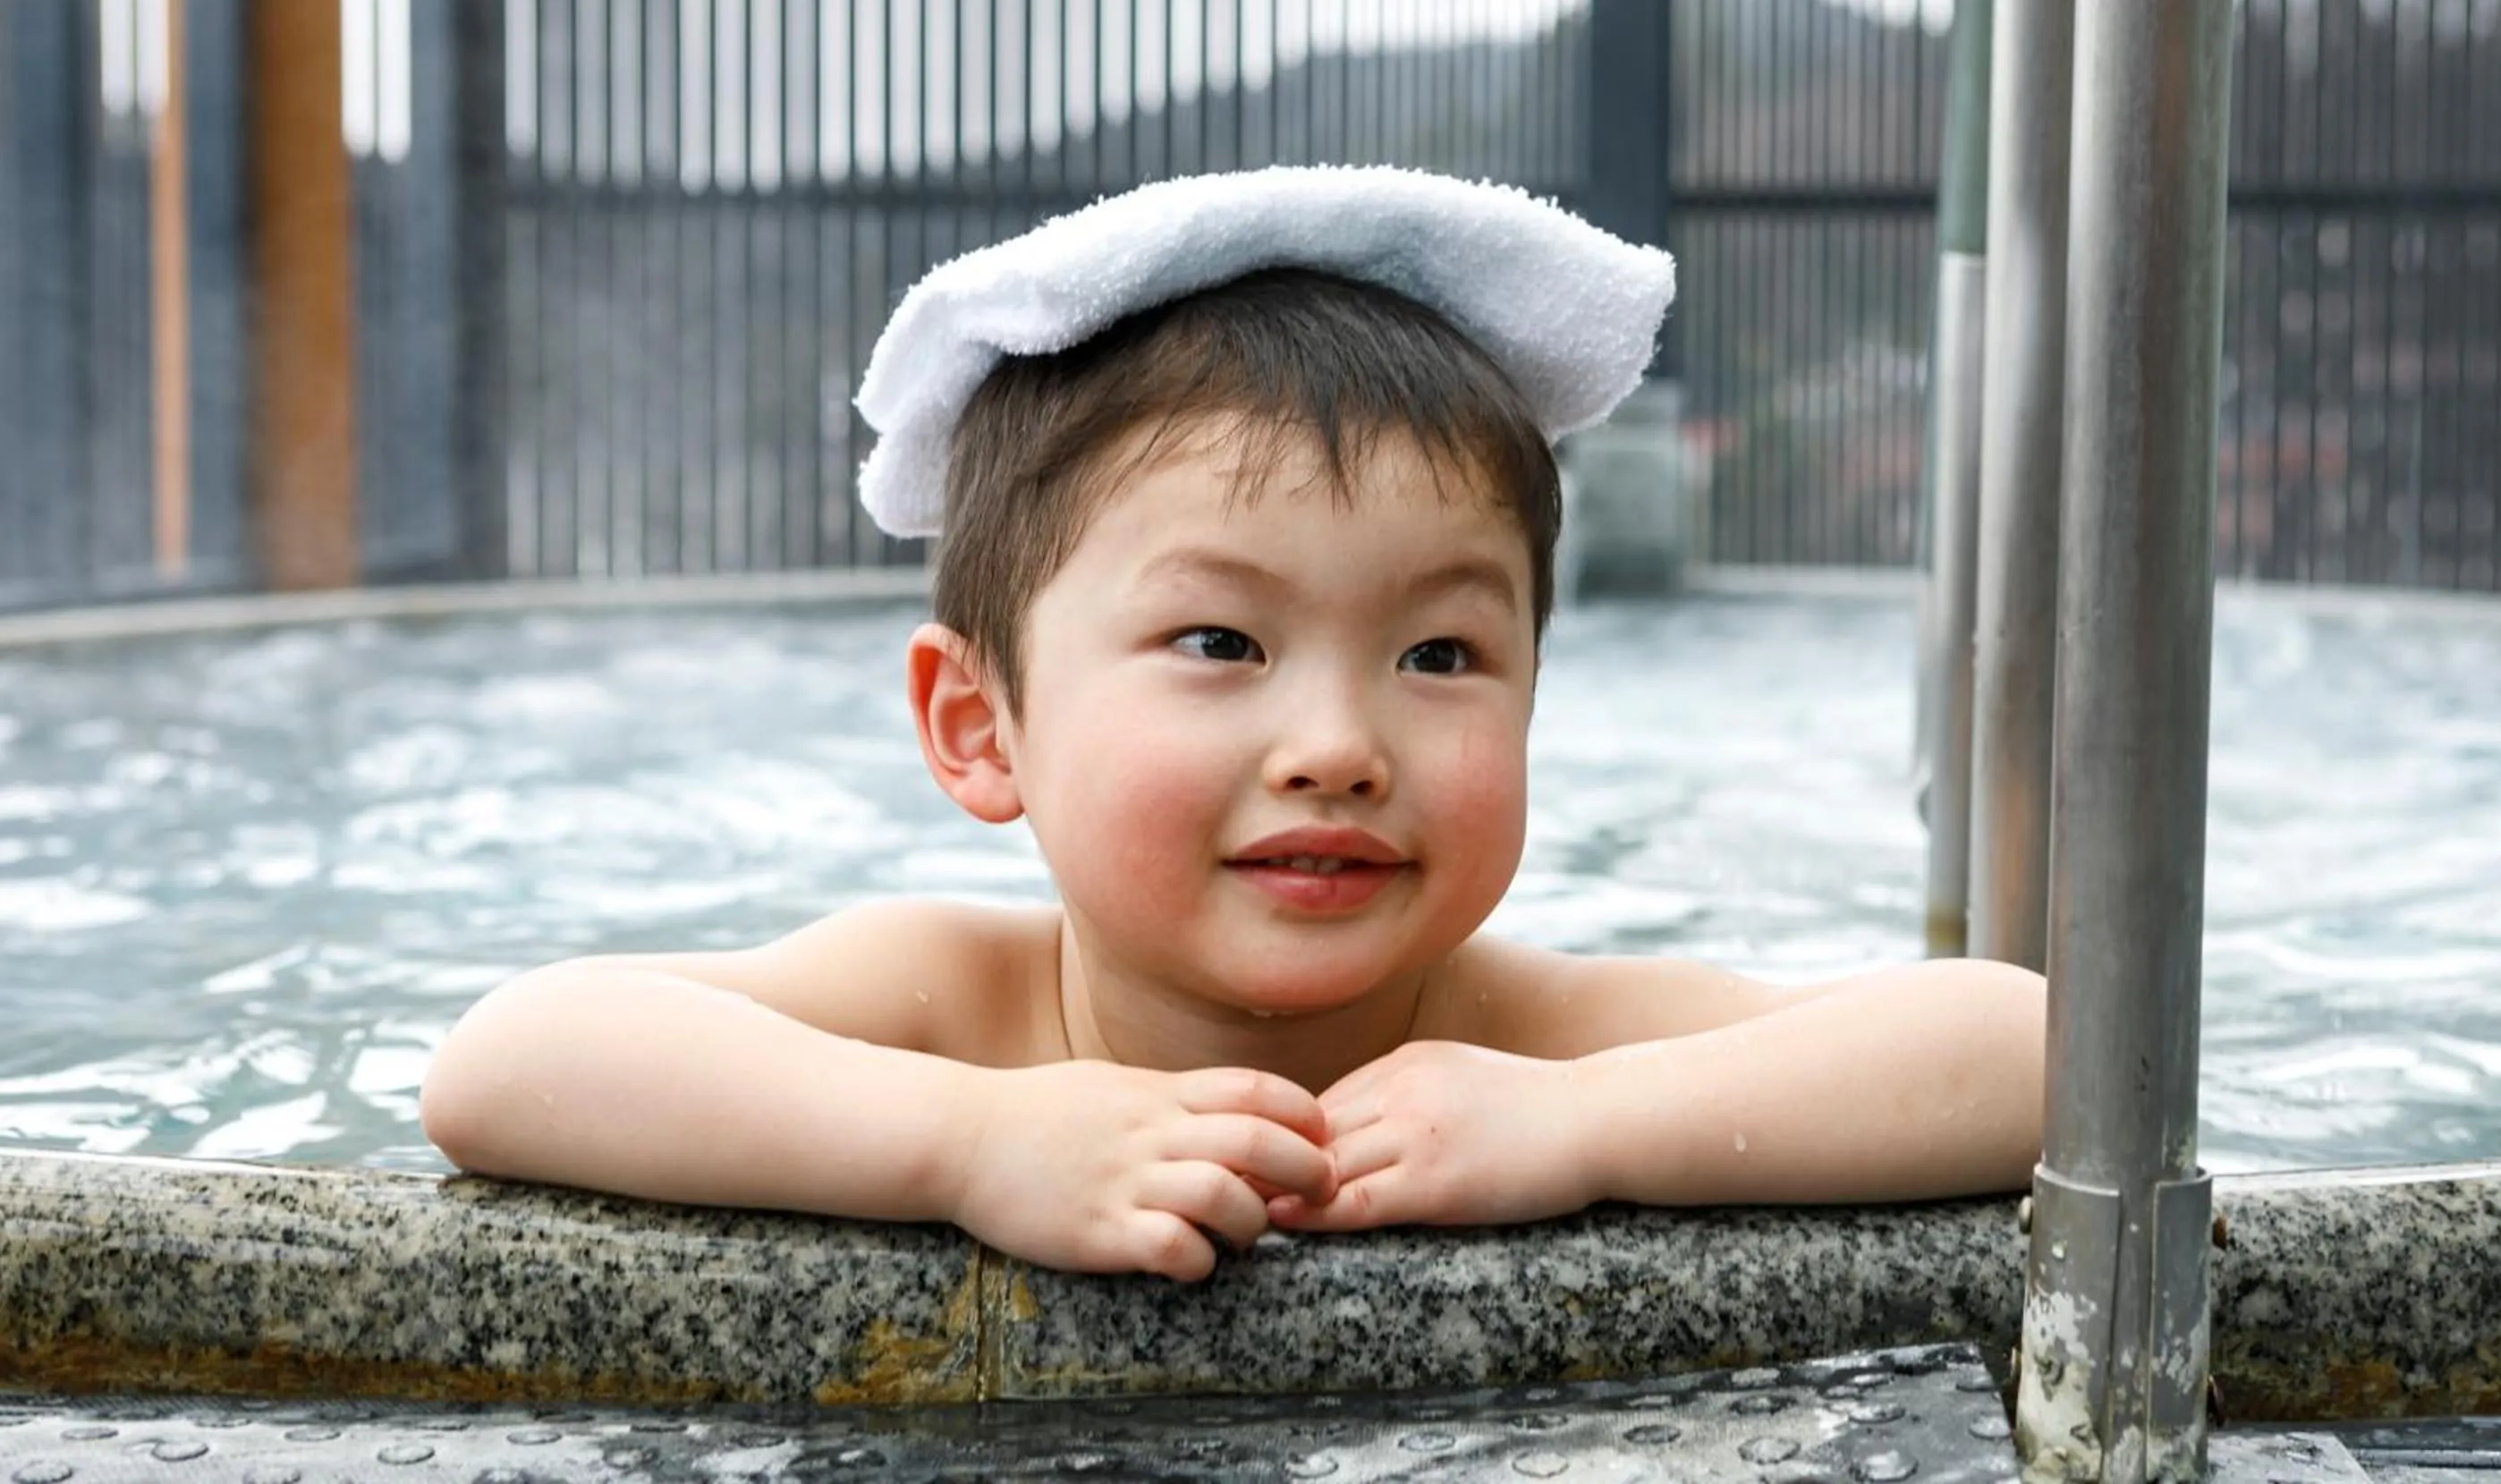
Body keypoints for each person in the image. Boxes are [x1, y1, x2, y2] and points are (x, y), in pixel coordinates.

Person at [420, 167, 2047, 1285]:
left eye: (1439, 653)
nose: (1338, 742)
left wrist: (1593, 1127)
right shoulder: (954, 1016)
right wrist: (966, 1145)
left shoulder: (1532, 1044)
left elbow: (2035, 1058)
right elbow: (509, 1063)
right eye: (1220, 639)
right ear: (981, 726)